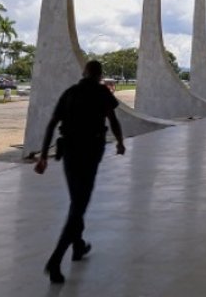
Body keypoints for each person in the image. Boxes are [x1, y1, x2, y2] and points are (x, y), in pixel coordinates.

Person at [35, 60, 126, 284]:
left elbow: (52, 124)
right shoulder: (102, 93)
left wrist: (44, 156)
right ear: (99, 75)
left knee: (77, 199)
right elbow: (113, 120)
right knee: (79, 206)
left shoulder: (70, 93)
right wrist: (120, 142)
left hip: (70, 153)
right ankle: (56, 260)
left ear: (84, 73)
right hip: (91, 152)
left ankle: (78, 245)